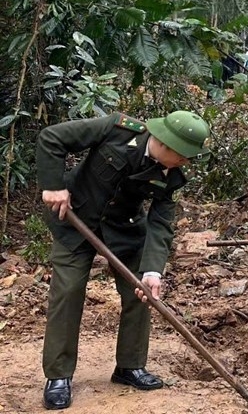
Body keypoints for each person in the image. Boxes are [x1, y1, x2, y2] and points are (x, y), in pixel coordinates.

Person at [37, 111, 211, 410]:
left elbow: (160, 222)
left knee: (141, 292)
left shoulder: (173, 174)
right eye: (184, 156)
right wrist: (53, 185)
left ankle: (129, 367)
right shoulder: (115, 130)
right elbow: (51, 138)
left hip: (124, 229)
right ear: (166, 144)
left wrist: (153, 270)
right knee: (68, 292)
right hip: (75, 220)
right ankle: (59, 376)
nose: (187, 163)